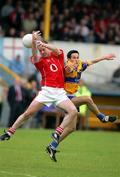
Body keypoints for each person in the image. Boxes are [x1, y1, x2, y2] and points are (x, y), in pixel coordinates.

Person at [0, 31, 78, 162]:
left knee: (73, 111)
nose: (41, 51)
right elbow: (35, 56)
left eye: (43, 49)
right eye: (40, 50)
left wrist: (42, 43)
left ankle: (57, 132)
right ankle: (9, 132)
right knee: (27, 114)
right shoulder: (40, 61)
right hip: (46, 92)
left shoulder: (58, 56)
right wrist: (34, 44)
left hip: (59, 92)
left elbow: (58, 49)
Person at [48, 50, 118, 154]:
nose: (76, 59)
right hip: (64, 97)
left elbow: (92, 61)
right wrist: (73, 66)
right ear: (69, 59)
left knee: (71, 128)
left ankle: (52, 146)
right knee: (87, 99)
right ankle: (102, 117)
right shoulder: (67, 66)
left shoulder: (80, 64)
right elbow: (68, 70)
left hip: (72, 97)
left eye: (77, 57)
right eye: (73, 57)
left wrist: (104, 57)